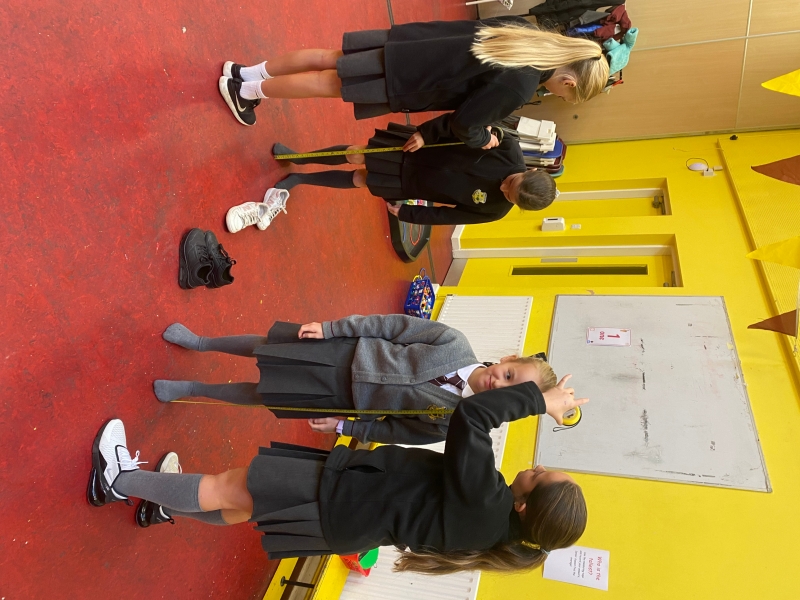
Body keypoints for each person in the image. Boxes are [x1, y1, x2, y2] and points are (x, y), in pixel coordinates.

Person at [88, 379, 590, 573]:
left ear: (525, 506)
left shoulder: (489, 502)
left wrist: (538, 401)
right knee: (240, 507)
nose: (539, 467)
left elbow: (473, 416)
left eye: (543, 477)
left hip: (344, 498)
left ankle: (117, 480)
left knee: (228, 488)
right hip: (347, 514)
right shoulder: (494, 531)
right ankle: (165, 503)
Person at [153, 314, 558, 445]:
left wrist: (344, 426)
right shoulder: (454, 341)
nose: (498, 385)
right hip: (345, 352)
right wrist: (332, 329)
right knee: (266, 347)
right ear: (507, 359)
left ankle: (192, 390)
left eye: (509, 392)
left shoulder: (457, 421)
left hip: (346, 398)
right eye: (509, 374)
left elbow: (396, 432)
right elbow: (389, 326)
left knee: (265, 394)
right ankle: (202, 342)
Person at [217, 17, 609, 149]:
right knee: (327, 83)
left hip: (412, 44)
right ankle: (245, 92)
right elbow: (464, 123)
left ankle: (246, 73)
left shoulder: (529, 31)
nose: (559, 96)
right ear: (568, 81)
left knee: (328, 58)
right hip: (413, 78)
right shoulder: (521, 86)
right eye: (566, 95)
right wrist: (483, 139)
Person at [225, 123, 557, 231]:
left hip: (413, 184)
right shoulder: (508, 148)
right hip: (418, 150)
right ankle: (297, 157)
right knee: (356, 153)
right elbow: (470, 125)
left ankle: (298, 180)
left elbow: (448, 215)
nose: (503, 188)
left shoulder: (496, 210)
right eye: (511, 182)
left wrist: (410, 214)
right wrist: (485, 130)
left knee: (360, 179)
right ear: (530, 169)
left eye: (509, 195)